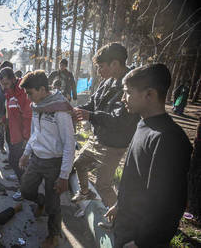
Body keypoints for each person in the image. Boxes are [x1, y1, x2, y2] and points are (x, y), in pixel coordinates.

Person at [103, 64, 192, 248]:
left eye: (127, 92)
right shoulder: (144, 125)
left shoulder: (168, 139)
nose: (123, 98)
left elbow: (168, 203)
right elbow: (136, 177)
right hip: (126, 228)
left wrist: (142, 241)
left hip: (139, 238)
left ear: (149, 94)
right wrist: (120, 205)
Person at [72, 43, 140, 207]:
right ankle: (85, 192)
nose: (98, 71)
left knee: (103, 185)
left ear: (115, 64)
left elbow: (119, 121)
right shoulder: (106, 82)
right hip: (98, 138)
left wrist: (91, 116)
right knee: (79, 164)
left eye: (101, 66)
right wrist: (75, 110)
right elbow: (92, 104)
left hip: (113, 145)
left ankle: (117, 219)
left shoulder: (131, 86)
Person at [18, 70, 76, 247]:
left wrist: (64, 175)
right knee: (26, 190)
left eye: (30, 93)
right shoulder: (38, 106)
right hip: (36, 158)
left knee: (54, 203)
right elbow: (35, 133)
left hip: (53, 163)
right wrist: (26, 153)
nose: (28, 98)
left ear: (43, 89)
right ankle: (39, 201)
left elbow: (69, 144)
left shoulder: (60, 109)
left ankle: (54, 236)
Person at [0, 67, 32, 201]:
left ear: (13, 79)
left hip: (22, 136)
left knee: (17, 162)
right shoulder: (9, 91)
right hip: (13, 132)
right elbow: (11, 109)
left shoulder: (22, 91)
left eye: (6, 84)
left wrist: (26, 137)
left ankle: (24, 189)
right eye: (2, 85)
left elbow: (28, 116)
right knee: (15, 161)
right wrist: (4, 119)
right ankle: (20, 179)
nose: (4, 87)